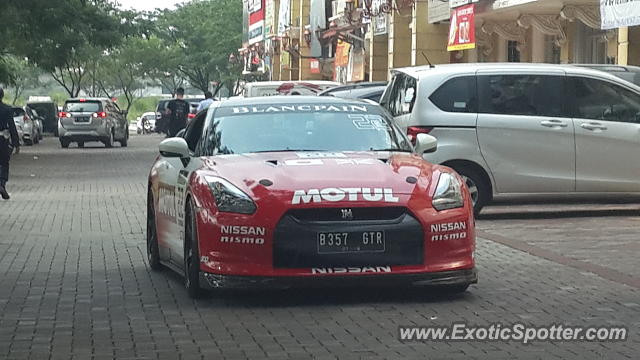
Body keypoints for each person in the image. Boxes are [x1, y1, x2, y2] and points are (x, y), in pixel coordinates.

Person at [0, 87, 20, 200]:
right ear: (2, 96)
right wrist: (16, 143)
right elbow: (12, 127)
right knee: (4, 162)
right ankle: (2, 184)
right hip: (3, 139)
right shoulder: (7, 109)